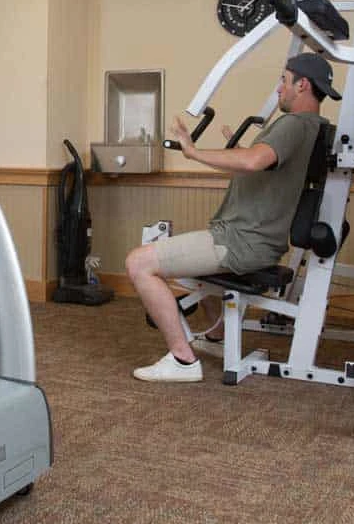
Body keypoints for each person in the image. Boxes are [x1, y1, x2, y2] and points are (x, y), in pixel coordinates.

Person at [127, 53, 339, 383]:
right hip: (251, 238)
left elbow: (255, 162)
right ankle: (217, 337)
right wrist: (238, 149)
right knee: (194, 273)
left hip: (241, 242)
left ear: (302, 85)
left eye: (284, 81)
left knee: (139, 263)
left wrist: (193, 152)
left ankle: (183, 360)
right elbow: (266, 168)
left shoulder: (294, 124)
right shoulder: (313, 127)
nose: (279, 89)